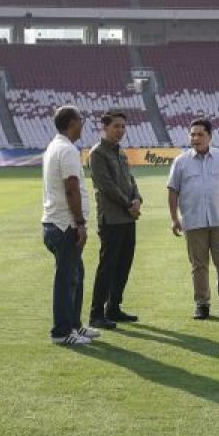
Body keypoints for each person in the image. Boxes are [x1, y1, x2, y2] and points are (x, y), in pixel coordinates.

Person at [167, 118, 219, 321]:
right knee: (199, 265)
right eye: (192, 134)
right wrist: (175, 219)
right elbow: (172, 191)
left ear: (210, 136)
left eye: (200, 134)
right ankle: (202, 304)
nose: (196, 138)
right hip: (193, 222)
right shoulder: (180, 161)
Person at [41, 105, 100, 346]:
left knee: (75, 274)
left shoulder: (56, 147)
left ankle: (74, 326)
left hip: (56, 222)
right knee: (66, 278)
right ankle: (61, 331)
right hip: (65, 224)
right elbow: (71, 188)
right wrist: (80, 223)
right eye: (81, 120)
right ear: (73, 123)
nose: (83, 124)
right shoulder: (66, 150)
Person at [87, 111, 143, 329]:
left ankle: (114, 308)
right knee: (107, 267)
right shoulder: (97, 153)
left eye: (122, 126)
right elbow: (105, 185)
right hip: (111, 218)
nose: (120, 130)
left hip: (128, 219)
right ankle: (96, 314)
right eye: (116, 126)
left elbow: (130, 180)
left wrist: (137, 198)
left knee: (123, 265)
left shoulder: (120, 152)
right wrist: (129, 204)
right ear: (104, 127)